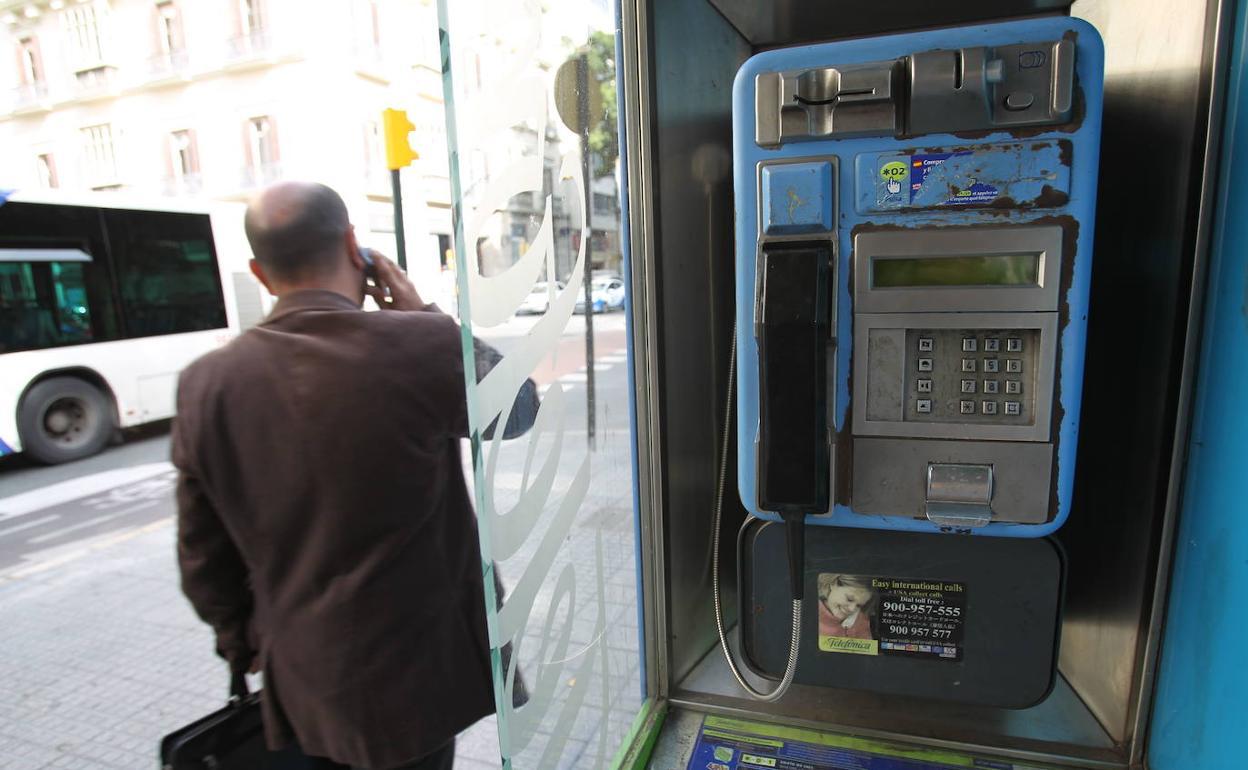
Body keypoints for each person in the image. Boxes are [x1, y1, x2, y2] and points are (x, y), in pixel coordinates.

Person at [173, 181, 534, 770]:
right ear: (353, 247)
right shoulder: (417, 343)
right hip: (421, 677)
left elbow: (202, 557)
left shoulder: (205, 384)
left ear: (260, 273)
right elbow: (519, 410)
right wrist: (419, 310)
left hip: (308, 679)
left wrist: (244, 642)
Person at [817, 573, 876, 640]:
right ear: (833, 584)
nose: (852, 609)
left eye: (859, 605)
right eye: (849, 599)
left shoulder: (861, 622)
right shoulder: (808, 613)